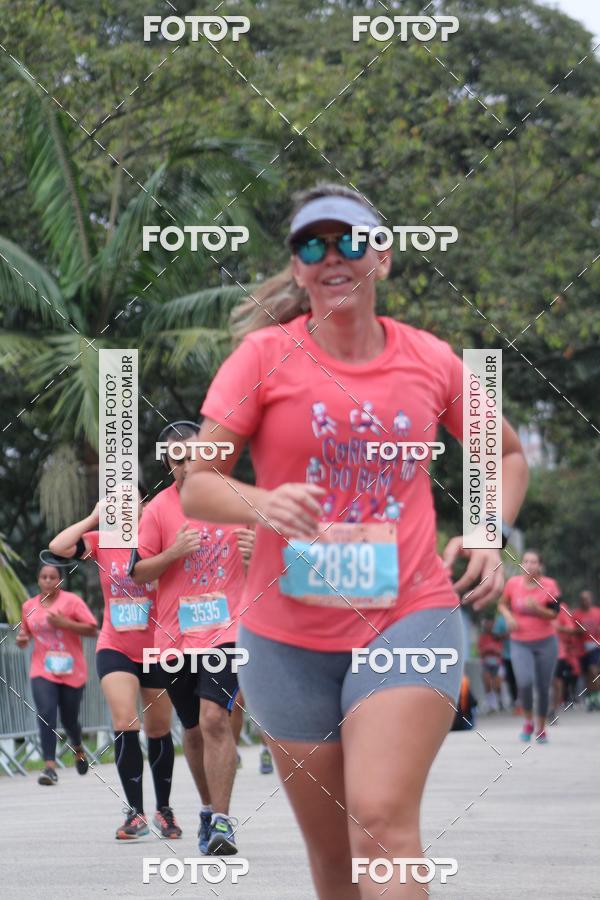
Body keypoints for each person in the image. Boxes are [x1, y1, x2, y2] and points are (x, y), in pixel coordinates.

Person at [178, 182, 529, 899]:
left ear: (385, 258)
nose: (333, 256)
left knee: (379, 821)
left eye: (351, 241)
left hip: (408, 614)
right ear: (299, 267)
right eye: (313, 244)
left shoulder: (429, 360)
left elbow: (506, 453)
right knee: (336, 865)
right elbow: (199, 486)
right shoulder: (261, 357)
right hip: (285, 639)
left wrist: (488, 531)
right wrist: (264, 502)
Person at [130, 421, 248, 856]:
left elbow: (275, 562)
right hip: (175, 638)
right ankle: (205, 808)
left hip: (227, 631)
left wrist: (259, 557)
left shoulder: (235, 499)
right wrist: (172, 553)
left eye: (195, 455)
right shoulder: (159, 509)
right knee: (194, 732)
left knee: (216, 718)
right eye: (177, 458)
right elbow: (138, 571)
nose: (186, 465)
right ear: (167, 462)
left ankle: (222, 820)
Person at [48, 489, 181, 840]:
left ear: (143, 505)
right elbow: (59, 547)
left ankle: (164, 810)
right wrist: (93, 518)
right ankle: (134, 813)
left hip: (157, 646)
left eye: (130, 500)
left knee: (158, 729)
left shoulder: (160, 538)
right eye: (115, 501)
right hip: (115, 645)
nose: (123, 506)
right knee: (125, 721)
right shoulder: (103, 540)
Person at [16, 564, 97, 785]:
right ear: (38, 580)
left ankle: (78, 748)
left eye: (53, 577)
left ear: (60, 581)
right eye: (44, 577)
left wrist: (65, 623)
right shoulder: (29, 606)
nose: (48, 581)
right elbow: (25, 634)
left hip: (72, 670)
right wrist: (22, 640)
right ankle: (49, 767)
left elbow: (92, 628)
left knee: (70, 719)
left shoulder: (72, 602)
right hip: (42, 669)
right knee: (46, 713)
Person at [498, 549, 560, 743]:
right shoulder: (513, 584)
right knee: (524, 683)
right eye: (526, 561)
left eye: (533, 562)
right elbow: (502, 604)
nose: (529, 565)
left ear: (540, 565)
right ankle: (527, 721)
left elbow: (554, 614)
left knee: (543, 687)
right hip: (519, 642)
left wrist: (537, 609)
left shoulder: (549, 585)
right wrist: (509, 617)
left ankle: (541, 728)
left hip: (545, 642)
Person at [572, 590, 600, 711]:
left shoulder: (597, 612)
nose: (585, 601)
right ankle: (590, 699)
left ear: (591, 599)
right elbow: (571, 631)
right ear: (580, 601)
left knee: (594, 672)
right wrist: (579, 630)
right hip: (581, 649)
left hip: (595, 647)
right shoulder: (576, 615)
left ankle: (597, 698)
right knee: (587, 676)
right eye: (583, 599)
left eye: (587, 598)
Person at [552, 601, 580, 712]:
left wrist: (557, 628)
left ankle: (554, 708)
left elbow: (570, 629)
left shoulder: (561, 608)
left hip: (559, 652)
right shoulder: (533, 603)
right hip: (539, 650)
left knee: (558, 679)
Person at [492, 609, 520, 713]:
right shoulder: (501, 620)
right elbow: (495, 635)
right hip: (507, 655)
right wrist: (506, 635)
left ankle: (521, 701)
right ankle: (515, 701)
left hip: (521, 654)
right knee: (511, 679)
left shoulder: (520, 616)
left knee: (521, 678)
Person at [477, 617, 503, 712]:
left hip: (497, 663)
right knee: (487, 683)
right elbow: (480, 651)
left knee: (497, 684)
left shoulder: (497, 637)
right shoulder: (482, 637)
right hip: (486, 663)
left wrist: (492, 650)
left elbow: (499, 651)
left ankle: (500, 701)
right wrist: (488, 650)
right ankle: (491, 704)